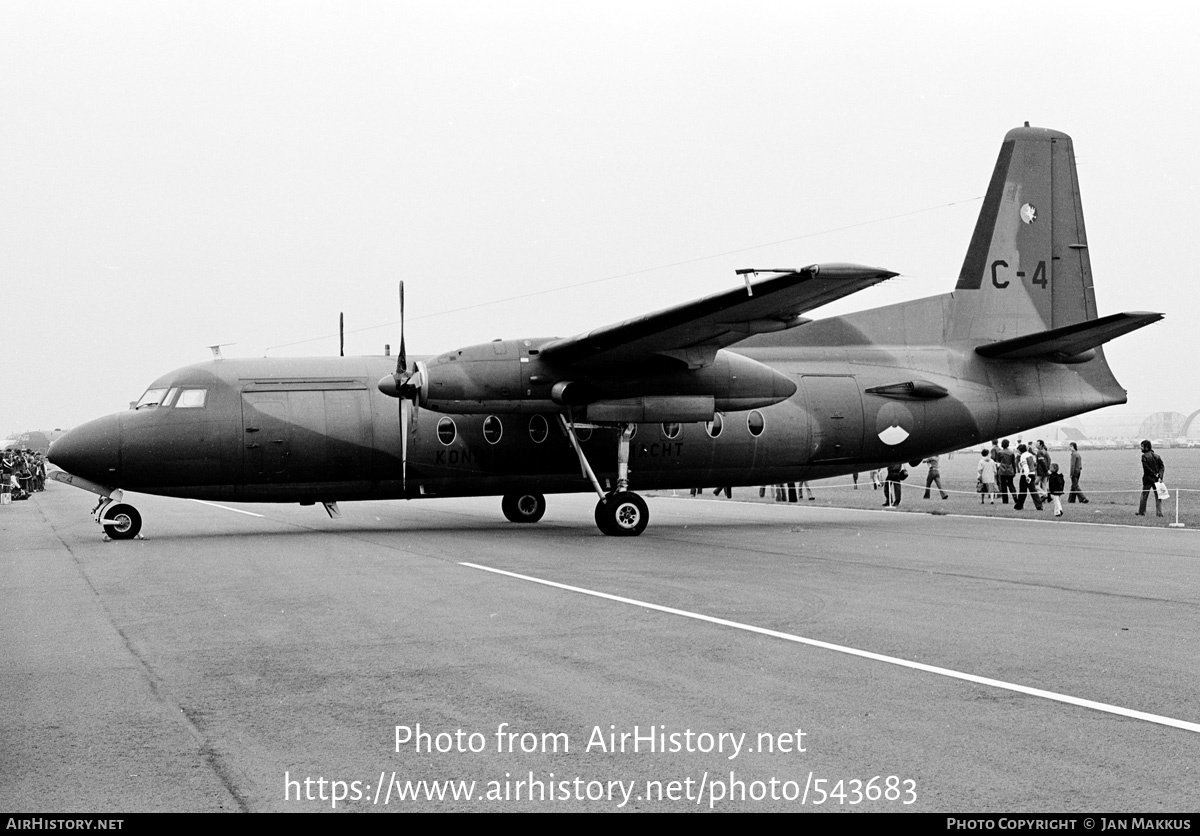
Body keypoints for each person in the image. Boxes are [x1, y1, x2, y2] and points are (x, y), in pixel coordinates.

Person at [1137, 439, 1165, 517]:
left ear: (1146, 447)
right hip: (1157, 480)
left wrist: (1153, 474)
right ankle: (1159, 513)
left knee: (1144, 496)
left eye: (1142, 446)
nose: (1141, 448)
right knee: (1158, 496)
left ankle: (1141, 512)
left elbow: (1146, 468)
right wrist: (1160, 475)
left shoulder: (1144, 456)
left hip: (1148, 479)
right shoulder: (1157, 456)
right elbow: (1162, 467)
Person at [1013, 443, 1043, 511]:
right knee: (1033, 491)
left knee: (1022, 491)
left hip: (1026, 475)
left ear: (1020, 450)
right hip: (1032, 474)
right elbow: (1035, 463)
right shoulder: (1030, 455)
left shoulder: (1023, 456)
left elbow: (1025, 467)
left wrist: (1026, 476)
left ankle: (1019, 506)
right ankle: (1039, 506)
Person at [994, 439, 1016, 504]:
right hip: (1010, 470)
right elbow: (1013, 463)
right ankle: (1015, 498)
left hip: (1002, 470)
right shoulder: (1011, 452)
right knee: (1011, 485)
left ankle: (1005, 501)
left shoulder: (1000, 453)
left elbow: (998, 462)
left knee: (1003, 486)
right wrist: (1014, 471)